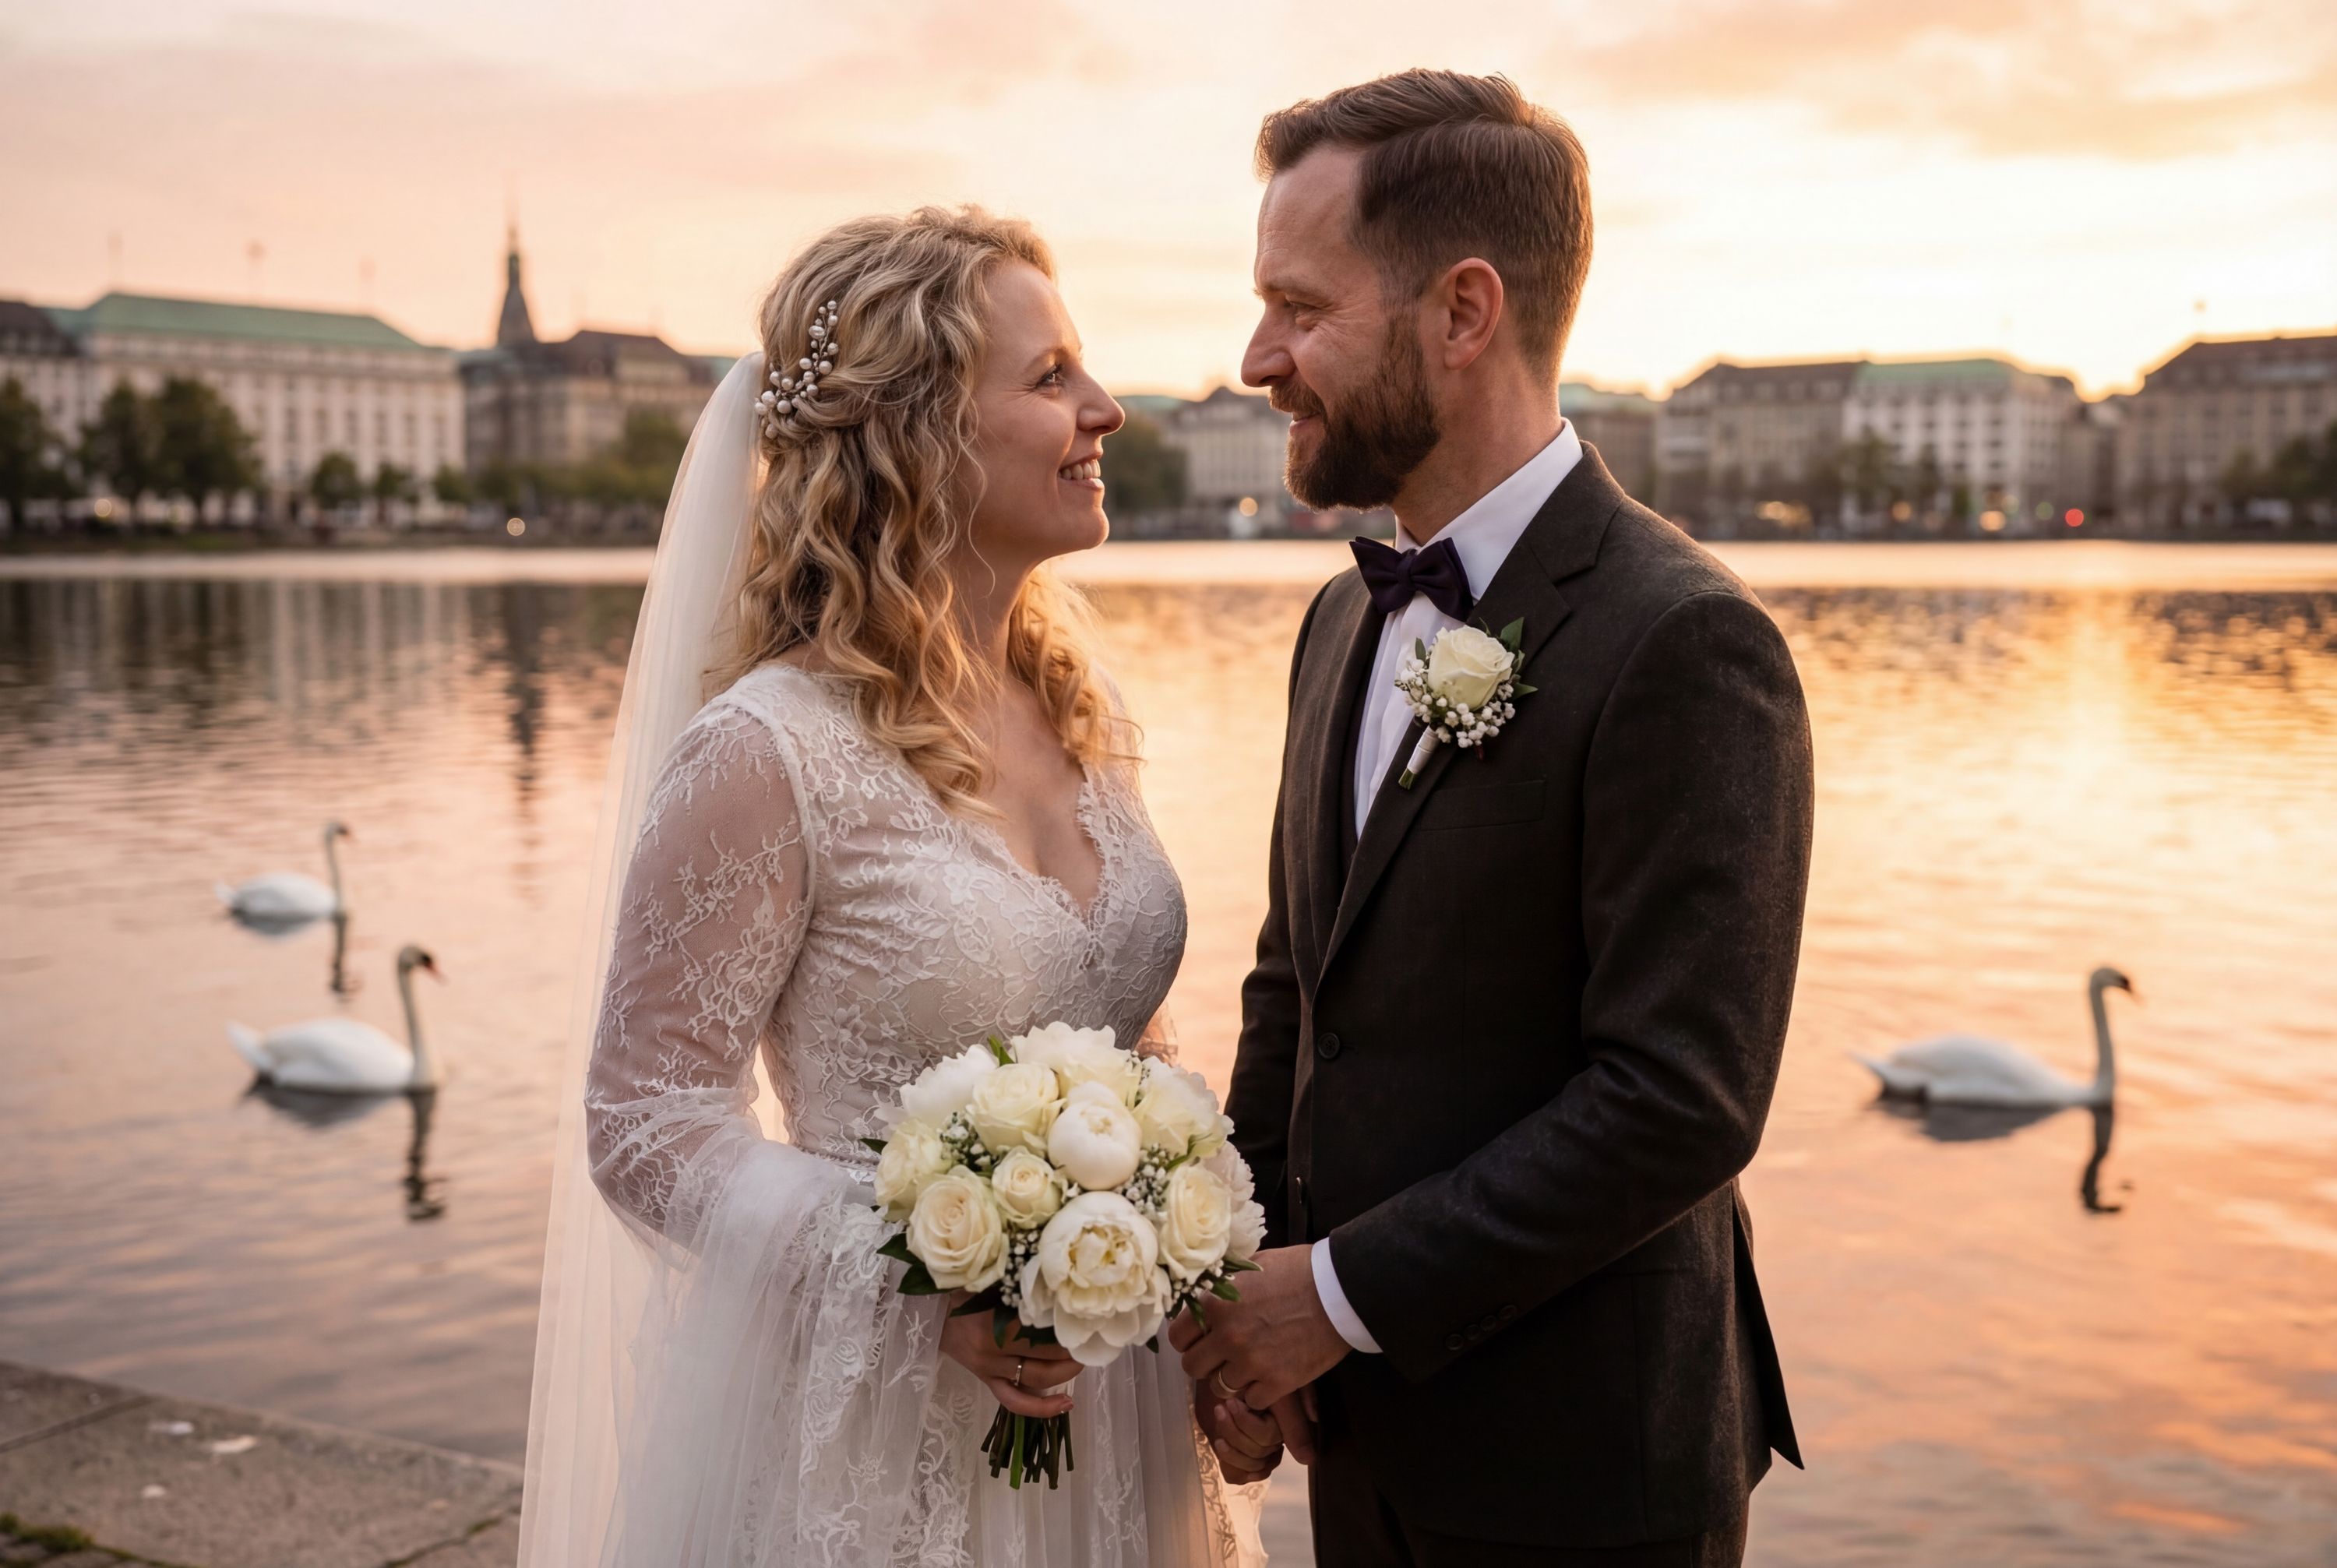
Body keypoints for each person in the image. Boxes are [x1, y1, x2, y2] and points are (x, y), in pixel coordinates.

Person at [520, 206, 1263, 1567]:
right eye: (1050, 379)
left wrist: (1196, 1276)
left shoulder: (1079, 705)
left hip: (1118, 1410)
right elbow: (643, 1116)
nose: (1104, 409)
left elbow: (1124, 1038)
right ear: (916, 430)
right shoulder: (768, 749)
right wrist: (914, 1280)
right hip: (885, 1439)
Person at [1175, 69, 1814, 1566]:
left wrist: (1329, 1298)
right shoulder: (1341, 621)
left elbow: (1681, 1099)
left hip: (1579, 1462)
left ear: (1464, 313)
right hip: (1358, 1433)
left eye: (1299, 305)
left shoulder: (1687, 641)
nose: (1259, 356)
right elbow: (1297, 990)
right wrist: (1253, 1311)